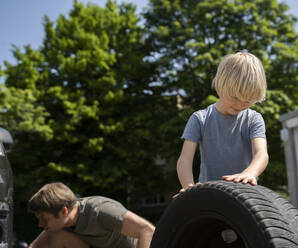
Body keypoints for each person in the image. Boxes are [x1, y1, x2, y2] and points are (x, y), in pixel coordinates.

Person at [176, 51, 269, 193]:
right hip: (211, 193)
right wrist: (188, 187)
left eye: (248, 100)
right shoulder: (200, 119)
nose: (241, 105)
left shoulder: (254, 119)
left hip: (246, 193)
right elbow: (185, 159)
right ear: (220, 86)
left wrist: (250, 173)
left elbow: (261, 154)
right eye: (235, 98)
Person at [27, 182, 155, 248]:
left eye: (44, 219)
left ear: (64, 211)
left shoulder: (100, 211)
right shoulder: (59, 223)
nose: (40, 224)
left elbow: (147, 230)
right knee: (55, 235)